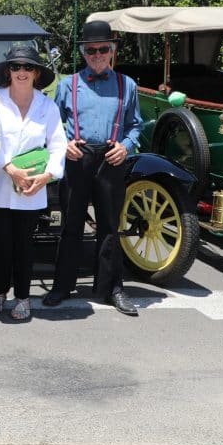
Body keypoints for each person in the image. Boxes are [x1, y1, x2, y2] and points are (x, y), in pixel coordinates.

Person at [45, 20, 142, 316]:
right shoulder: (68, 85)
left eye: (102, 49)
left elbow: (135, 125)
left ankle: (112, 288)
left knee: (110, 226)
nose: (97, 55)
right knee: (71, 226)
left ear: (111, 50)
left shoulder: (127, 85)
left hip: (112, 157)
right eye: (91, 50)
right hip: (78, 157)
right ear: (83, 53)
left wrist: (126, 146)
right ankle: (62, 286)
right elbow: (52, 124)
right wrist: (64, 145)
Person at [0, 44, 67, 320]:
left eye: (28, 67)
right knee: (0, 245)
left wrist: (48, 175)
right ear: (8, 71)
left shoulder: (47, 106)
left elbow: (58, 144)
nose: (22, 72)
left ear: (36, 73)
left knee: (24, 246)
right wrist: (8, 167)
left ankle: (22, 297)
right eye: (16, 66)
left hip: (32, 187)